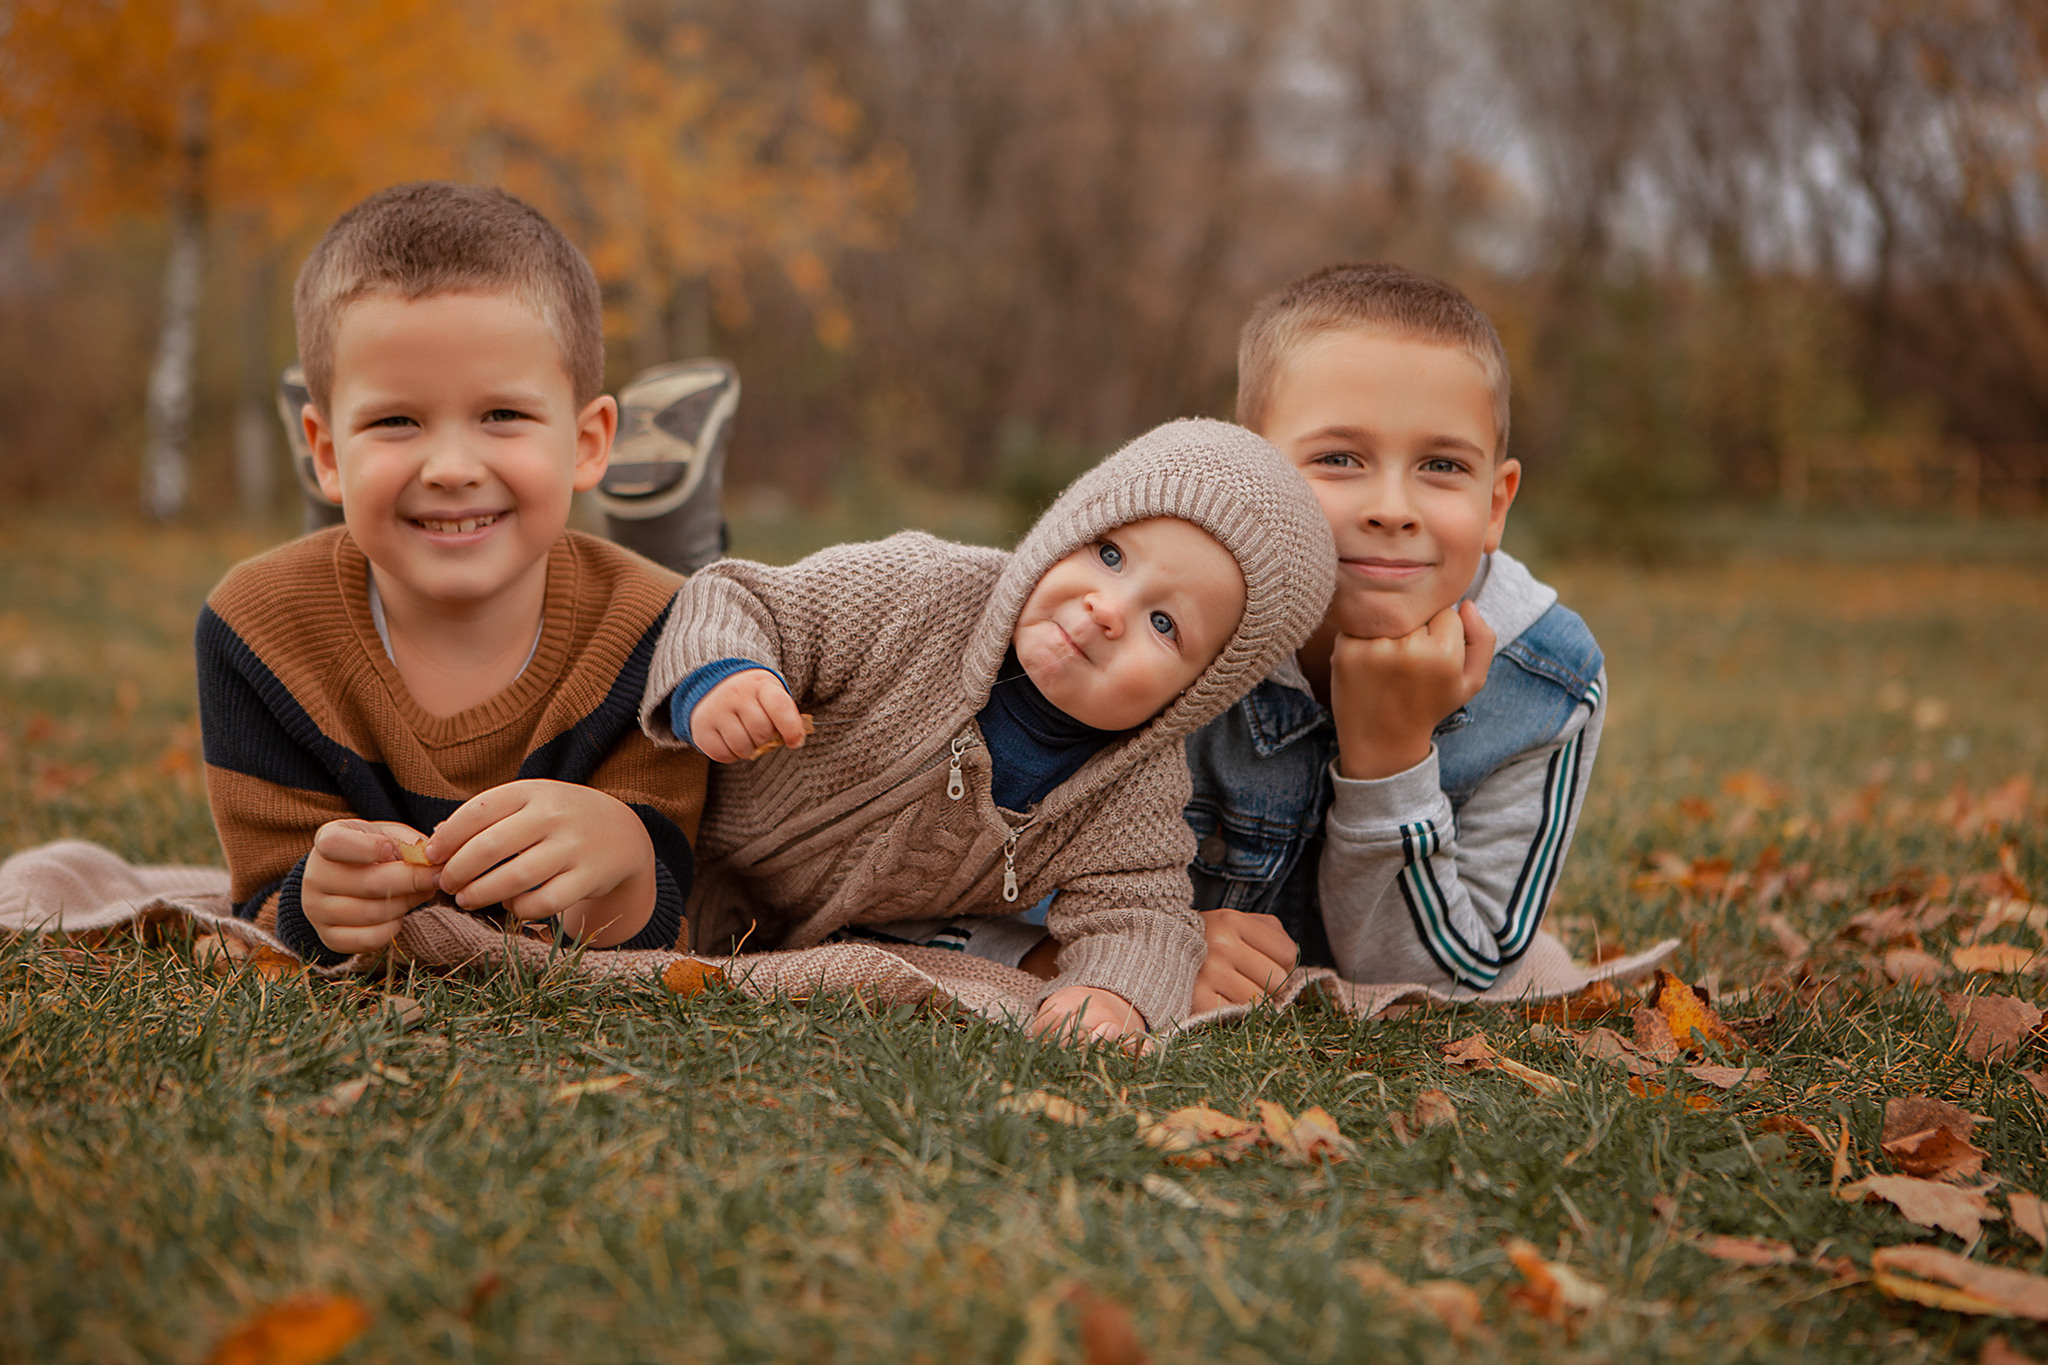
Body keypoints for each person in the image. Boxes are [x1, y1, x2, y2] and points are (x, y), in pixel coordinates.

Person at [639, 419, 1335, 1045]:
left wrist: (1110, 995)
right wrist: (725, 674)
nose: (1106, 610)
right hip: (665, 829)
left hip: (771, 935)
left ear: (1199, 689)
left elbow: (1141, 914)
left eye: (1164, 623)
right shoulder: (919, 595)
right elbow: (746, 597)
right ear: (1066, 527)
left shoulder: (1135, 787)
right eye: (1110, 555)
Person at [199, 181, 708, 966]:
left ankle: (678, 518)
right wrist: (311, 902)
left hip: (655, 594)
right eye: (396, 420)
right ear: (325, 453)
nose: (451, 466)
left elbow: (673, 929)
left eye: (502, 414)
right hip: (330, 590)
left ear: (586, 441)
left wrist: (628, 860)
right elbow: (260, 904)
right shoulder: (256, 633)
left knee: (717, 600)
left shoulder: (662, 635)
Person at [1184, 262, 1607, 1009]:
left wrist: (1390, 757)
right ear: (1248, 468)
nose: (1391, 508)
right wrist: (1163, 936)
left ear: (1495, 503)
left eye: (1442, 465)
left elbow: (1444, 982)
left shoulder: (1548, 682)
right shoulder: (1170, 616)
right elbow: (1016, 866)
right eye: (1339, 458)